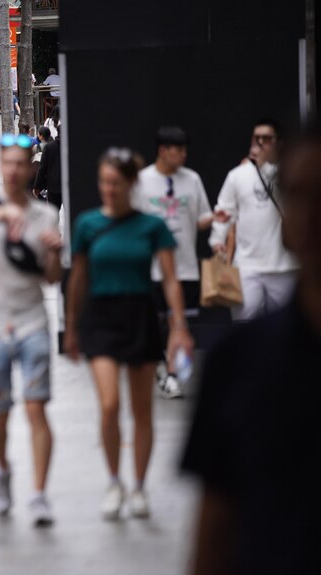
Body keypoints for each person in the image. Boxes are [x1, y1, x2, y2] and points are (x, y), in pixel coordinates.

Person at [181, 126, 321, 575]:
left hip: (280, 270)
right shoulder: (235, 361)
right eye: (302, 197)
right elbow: (214, 525)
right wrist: (220, 243)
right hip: (252, 268)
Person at [64, 148, 193, 521]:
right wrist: (71, 327)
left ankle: (137, 486)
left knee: (142, 410)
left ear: (131, 184)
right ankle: (113, 481)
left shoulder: (151, 227)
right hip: (100, 317)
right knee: (108, 405)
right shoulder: (87, 224)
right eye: (104, 182)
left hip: (139, 314)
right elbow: (79, 278)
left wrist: (179, 326)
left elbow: (170, 279)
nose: (109, 189)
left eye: (116, 183)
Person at [0, 133, 63, 526]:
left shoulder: (45, 215)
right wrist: (2, 215)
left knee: (37, 409)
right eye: (8, 163)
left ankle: (39, 494)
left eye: (22, 164)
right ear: (0, 166)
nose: (15, 171)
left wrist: (55, 252)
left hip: (32, 321)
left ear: (31, 167)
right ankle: (3, 470)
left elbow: (51, 280)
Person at [133, 127, 213, 399]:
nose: (183, 155)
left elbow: (202, 217)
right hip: (151, 269)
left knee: (180, 324)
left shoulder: (192, 179)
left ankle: (173, 375)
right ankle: (160, 366)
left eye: (184, 149)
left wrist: (218, 219)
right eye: (178, 150)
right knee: (154, 326)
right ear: (163, 151)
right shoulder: (142, 181)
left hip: (185, 266)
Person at [209, 118, 298, 321]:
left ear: (278, 143)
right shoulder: (237, 175)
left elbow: (284, 192)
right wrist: (217, 240)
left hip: (284, 264)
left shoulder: (287, 172)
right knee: (245, 324)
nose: (260, 143)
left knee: (287, 324)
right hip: (247, 264)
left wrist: (266, 164)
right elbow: (224, 210)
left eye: (266, 138)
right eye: (256, 138)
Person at [33, 123, 62, 209]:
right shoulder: (72, 146)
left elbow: (42, 168)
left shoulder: (49, 147)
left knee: (54, 213)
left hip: (53, 186)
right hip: (70, 186)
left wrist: (37, 186)